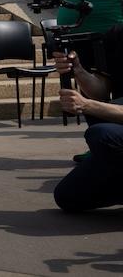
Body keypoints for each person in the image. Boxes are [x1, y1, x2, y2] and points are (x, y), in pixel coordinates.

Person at [51, 31, 123, 212]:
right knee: (67, 196)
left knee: (103, 135)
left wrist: (87, 105)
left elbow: (95, 104)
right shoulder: (117, 36)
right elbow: (102, 93)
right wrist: (78, 70)